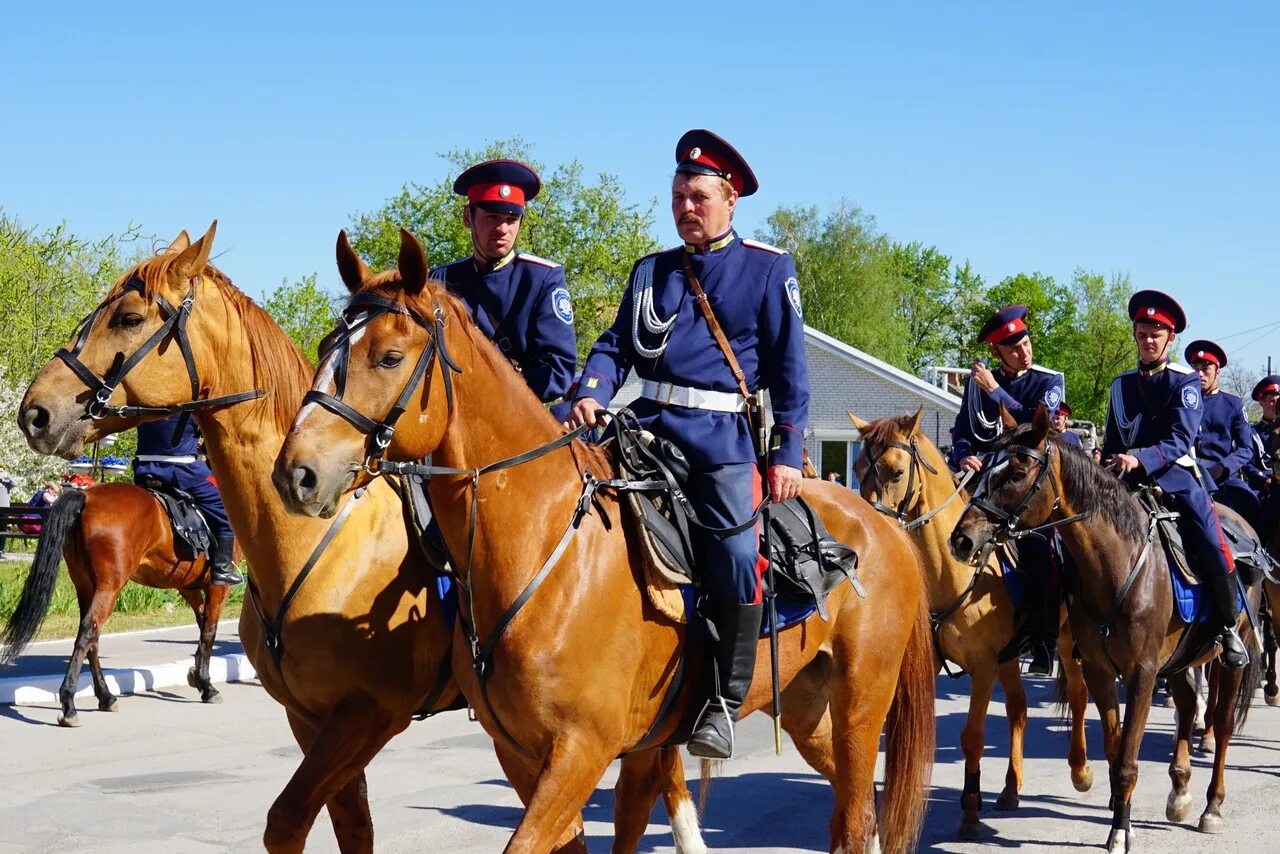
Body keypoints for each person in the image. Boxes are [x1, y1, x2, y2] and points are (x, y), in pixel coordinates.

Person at [565, 129, 809, 760]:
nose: (686, 208)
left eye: (699, 197)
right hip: (644, 424)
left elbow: (791, 373)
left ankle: (723, 702)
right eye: (678, 197)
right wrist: (592, 390)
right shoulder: (652, 270)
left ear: (730, 200)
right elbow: (615, 345)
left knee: (736, 554)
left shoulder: (767, 269)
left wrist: (786, 455)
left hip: (720, 442)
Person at [1102, 291, 1247, 669]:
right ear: (1134, 334)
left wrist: (1140, 458)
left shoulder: (1185, 382)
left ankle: (1228, 625)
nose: (1148, 341)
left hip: (1175, 477)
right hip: (1123, 477)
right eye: (1142, 333)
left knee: (1210, 536)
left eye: (1156, 334)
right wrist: (1104, 466)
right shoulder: (1120, 385)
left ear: (1171, 339)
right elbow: (1112, 439)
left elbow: (1180, 440)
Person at [950, 304, 1066, 676]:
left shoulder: (1049, 381)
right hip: (984, 477)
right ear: (997, 351)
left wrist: (995, 390)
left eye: (1026, 344)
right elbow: (963, 429)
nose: (1024, 352)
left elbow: (1037, 424)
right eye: (1014, 348)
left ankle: (1043, 637)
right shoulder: (976, 386)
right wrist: (964, 454)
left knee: (1040, 548)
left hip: (1027, 482)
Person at [429, 159, 578, 404]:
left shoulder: (542, 278)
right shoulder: (440, 280)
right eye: (492, 217)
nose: (502, 229)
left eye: (511, 219)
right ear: (467, 217)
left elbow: (556, 370)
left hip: (515, 413)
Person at [133, 414, 242, 586]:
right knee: (224, 507)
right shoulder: (191, 410)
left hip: (143, 470)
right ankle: (222, 569)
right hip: (183, 471)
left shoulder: (145, 407)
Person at [1184, 340, 1261, 529]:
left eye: (1205, 368)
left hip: (1221, 477)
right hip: (1186, 474)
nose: (1200, 374)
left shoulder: (1233, 404)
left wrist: (1224, 467)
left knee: (1254, 507)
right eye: (1195, 368)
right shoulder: (1182, 400)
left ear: (1217, 371)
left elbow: (1246, 448)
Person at [1244, 374, 1280, 538]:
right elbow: (1246, 463)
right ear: (1261, 402)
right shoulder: (1251, 432)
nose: (1276, 406)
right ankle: (1260, 545)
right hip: (1261, 487)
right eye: (1272, 401)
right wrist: (1264, 480)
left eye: (1279, 402)